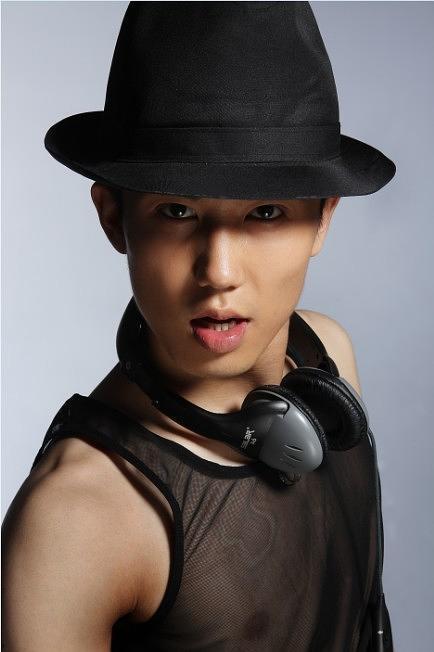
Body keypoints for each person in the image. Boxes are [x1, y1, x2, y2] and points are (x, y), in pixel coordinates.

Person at [2, 2, 395, 650]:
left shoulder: (329, 359)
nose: (219, 272)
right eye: (177, 210)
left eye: (266, 213)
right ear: (113, 217)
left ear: (323, 219)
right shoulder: (76, 516)